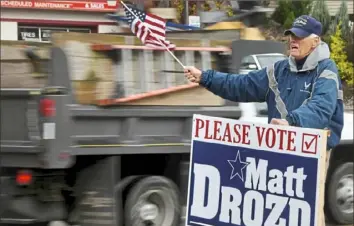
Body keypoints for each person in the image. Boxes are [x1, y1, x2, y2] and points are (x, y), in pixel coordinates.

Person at [184, 15, 344, 224]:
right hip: (280, 147)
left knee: (305, 212)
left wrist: (292, 123)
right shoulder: (278, 70)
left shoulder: (327, 70)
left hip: (312, 152)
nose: (293, 40)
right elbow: (241, 85)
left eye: (300, 37)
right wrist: (205, 77)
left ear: (316, 41)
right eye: (291, 36)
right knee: (275, 211)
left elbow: (321, 108)